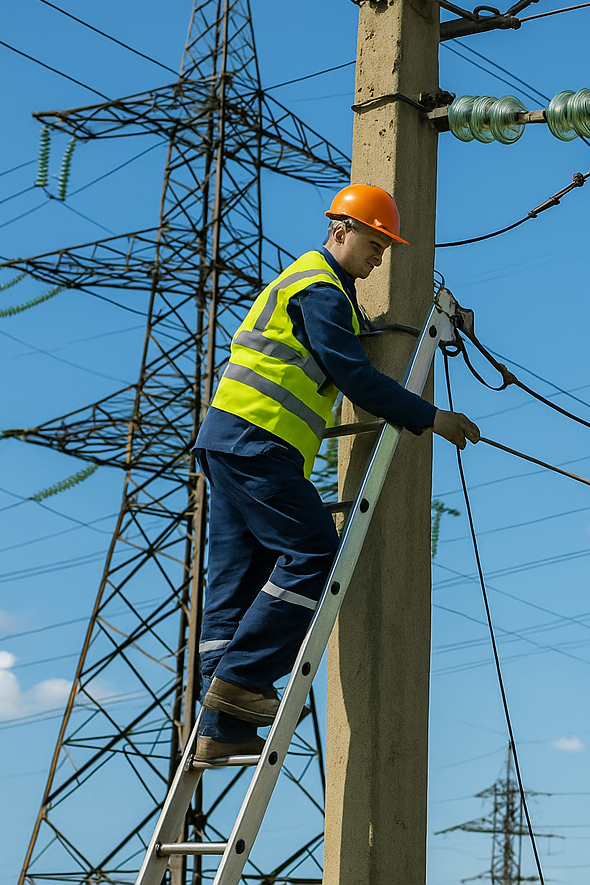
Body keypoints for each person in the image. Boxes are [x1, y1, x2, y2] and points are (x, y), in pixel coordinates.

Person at [190, 184, 480, 763]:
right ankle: (242, 682)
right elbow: (355, 378)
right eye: (375, 244)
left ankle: (218, 719)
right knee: (314, 551)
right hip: (258, 441)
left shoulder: (314, 289)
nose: (379, 259)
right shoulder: (320, 290)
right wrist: (431, 417)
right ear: (340, 231)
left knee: (235, 576)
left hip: (230, 441)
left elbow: (337, 351)